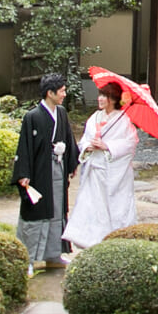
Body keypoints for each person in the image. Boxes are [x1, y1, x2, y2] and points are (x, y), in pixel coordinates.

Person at [60, 74, 141, 252]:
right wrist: (89, 147)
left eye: (104, 96)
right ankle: (90, 240)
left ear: (113, 99)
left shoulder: (123, 120)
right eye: (100, 95)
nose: (100, 99)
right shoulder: (94, 118)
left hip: (114, 173)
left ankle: (116, 239)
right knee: (92, 205)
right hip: (95, 170)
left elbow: (130, 144)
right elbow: (83, 142)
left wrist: (107, 146)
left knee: (115, 207)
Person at [10, 73, 80, 270]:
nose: (64, 94)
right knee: (37, 212)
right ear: (50, 93)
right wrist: (23, 174)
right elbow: (24, 147)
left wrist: (71, 163)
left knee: (57, 209)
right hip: (39, 172)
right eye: (62, 91)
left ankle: (53, 254)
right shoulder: (32, 117)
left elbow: (68, 138)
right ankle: (29, 258)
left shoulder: (62, 113)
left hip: (57, 168)